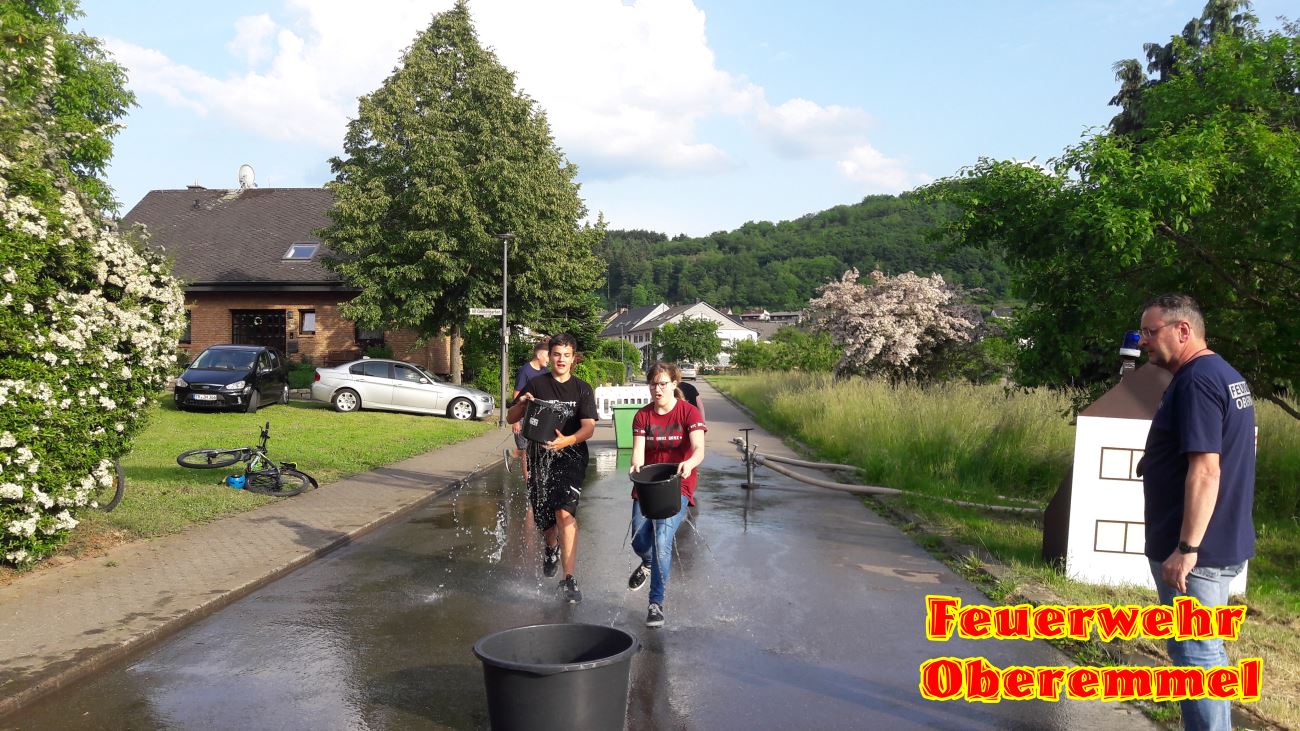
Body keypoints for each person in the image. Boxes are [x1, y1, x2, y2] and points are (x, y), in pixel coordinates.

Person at [1138, 294, 1255, 731]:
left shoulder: (1197, 383)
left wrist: (1186, 548)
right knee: (1206, 652)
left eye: (1151, 332)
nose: (1144, 341)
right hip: (1220, 543)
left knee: (1196, 656)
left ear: (1182, 330)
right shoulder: (1225, 375)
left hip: (1196, 557)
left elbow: (1206, 470)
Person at [506, 333, 597, 603]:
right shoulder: (537, 383)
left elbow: (589, 427)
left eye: (566, 355)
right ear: (550, 356)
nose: (561, 359)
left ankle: (568, 579)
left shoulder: (582, 389)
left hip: (571, 456)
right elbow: (511, 417)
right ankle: (551, 546)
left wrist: (567, 440)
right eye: (557, 354)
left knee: (564, 512)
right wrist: (522, 404)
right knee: (545, 518)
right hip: (539, 457)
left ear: (573, 358)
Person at [627, 362, 706, 628]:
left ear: (674, 384)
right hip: (647, 484)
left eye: (663, 383)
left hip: (677, 483)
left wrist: (690, 463)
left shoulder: (688, 412)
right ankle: (647, 561)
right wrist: (635, 465)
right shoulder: (643, 415)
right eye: (653, 384)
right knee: (640, 541)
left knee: (662, 538)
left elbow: (699, 448)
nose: (657, 389)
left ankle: (655, 603)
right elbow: (638, 452)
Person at [510, 337, 550, 479]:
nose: (549, 359)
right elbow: (516, 394)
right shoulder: (525, 371)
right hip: (523, 416)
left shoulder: (545, 371)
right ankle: (529, 483)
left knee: (537, 449)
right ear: (539, 355)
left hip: (537, 417)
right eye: (547, 355)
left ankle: (513, 454)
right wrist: (515, 421)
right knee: (525, 451)